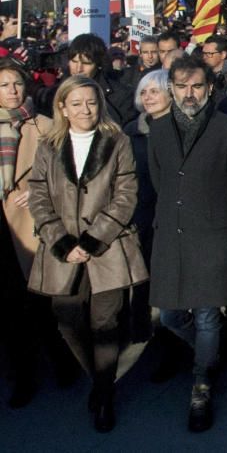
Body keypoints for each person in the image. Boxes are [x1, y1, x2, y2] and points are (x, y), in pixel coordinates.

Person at [27, 75, 144, 432]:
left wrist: (93, 240)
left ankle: (105, 395)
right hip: (62, 250)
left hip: (107, 247)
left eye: (91, 102)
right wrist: (61, 240)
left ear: (100, 104)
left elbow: (126, 194)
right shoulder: (49, 144)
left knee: (105, 323)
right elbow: (38, 194)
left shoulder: (117, 140)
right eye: (75, 103)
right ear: (62, 106)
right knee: (67, 318)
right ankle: (97, 378)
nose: (84, 110)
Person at [147, 56, 227, 433]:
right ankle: (211, 353)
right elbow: (160, 182)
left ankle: (201, 382)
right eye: (181, 86)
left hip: (213, 234)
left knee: (207, 314)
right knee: (172, 315)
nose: (188, 94)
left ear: (210, 88)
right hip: (172, 235)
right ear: (171, 89)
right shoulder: (157, 130)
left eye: (196, 86)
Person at [0, 58, 59, 408]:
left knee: (40, 303)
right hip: (1, 231)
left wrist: (38, 190)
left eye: (16, 84)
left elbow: (66, 174)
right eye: (4, 85)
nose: (12, 90)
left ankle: (60, 363)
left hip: (30, 227)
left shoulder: (45, 126)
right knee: (8, 309)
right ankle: (23, 374)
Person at [122, 70, 171, 345]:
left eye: (155, 91)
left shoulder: (184, 128)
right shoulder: (130, 132)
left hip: (173, 213)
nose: (148, 97)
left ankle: (169, 338)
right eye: (144, 92)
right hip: (141, 212)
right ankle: (140, 329)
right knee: (142, 277)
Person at [64, 34, 137, 127]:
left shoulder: (122, 96)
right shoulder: (56, 92)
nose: (79, 69)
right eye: (74, 61)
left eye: (87, 63)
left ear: (98, 64)